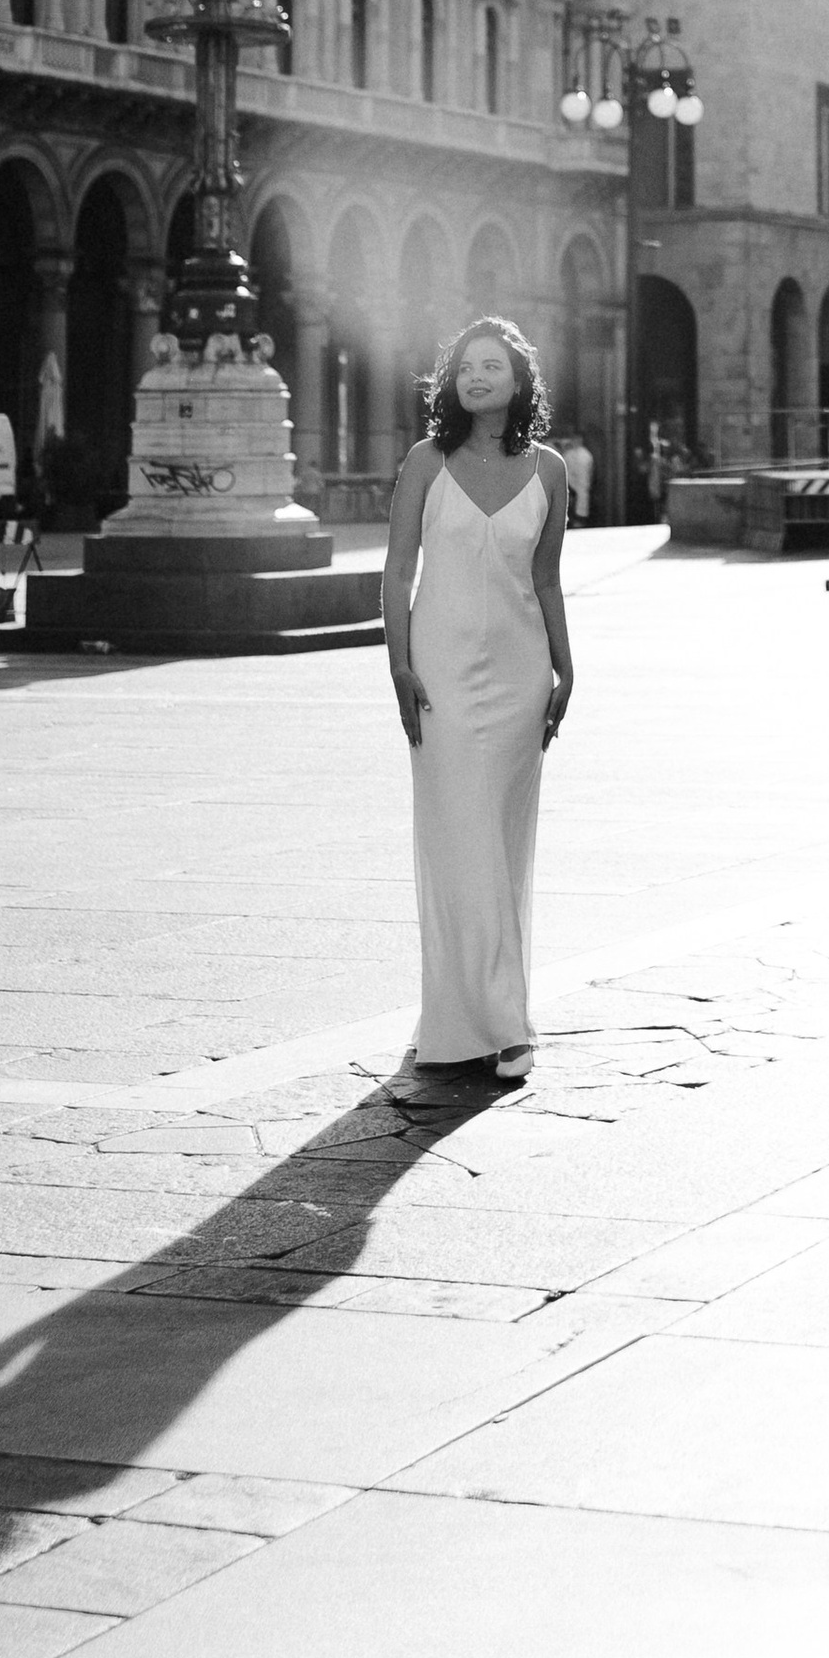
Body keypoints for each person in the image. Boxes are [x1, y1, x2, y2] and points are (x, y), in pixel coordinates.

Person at [382, 316, 574, 1083]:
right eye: (466, 366)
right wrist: (398, 664)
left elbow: (549, 578)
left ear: (520, 380)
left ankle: (481, 1014)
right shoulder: (425, 461)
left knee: (501, 842)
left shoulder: (551, 469)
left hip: (523, 677)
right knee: (457, 837)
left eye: (492, 365)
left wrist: (567, 670)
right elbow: (397, 572)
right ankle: (491, 1020)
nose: (477, 376)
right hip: (440, 674)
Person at [553, 419, 595, 527]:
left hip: (575, 491)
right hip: (575, 491)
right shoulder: (584, 455)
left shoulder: (580, 455)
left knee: (577, 518)